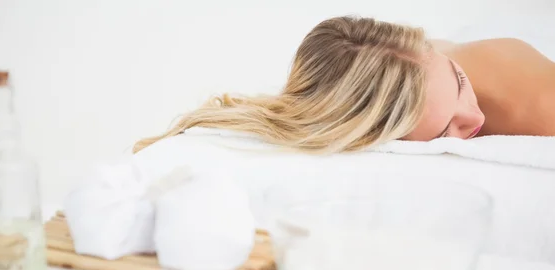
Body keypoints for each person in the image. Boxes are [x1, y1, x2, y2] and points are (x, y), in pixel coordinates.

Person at [133, 15, 555, 154]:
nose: (475, 116)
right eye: (447, 130)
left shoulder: (541, 109)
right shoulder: (416, 68)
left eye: (460, 83)